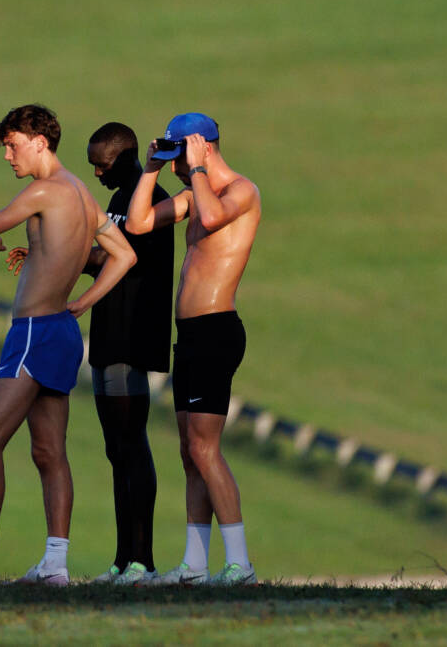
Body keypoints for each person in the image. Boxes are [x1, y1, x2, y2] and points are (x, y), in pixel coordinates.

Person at [0, 104, 135, 586]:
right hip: (62, 329)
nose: (8, 156)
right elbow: (124, 254)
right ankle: (56, 565)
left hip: (33, 332)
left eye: (13, 144)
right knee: (48, 452)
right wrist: (81, 303)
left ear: (40, 142)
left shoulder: (42, 191)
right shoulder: (82, 194)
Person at [126, 112, 264, 585]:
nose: (178, 168)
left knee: (206, 449)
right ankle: (194, 565)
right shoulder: (191, 192)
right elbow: (141, 222)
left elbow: (210, 216)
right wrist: (150, 169)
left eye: (180, 155)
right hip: (189, 335)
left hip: (216, 332)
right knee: (190, 451)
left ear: (202, 146)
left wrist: (199, 167)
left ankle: (239, 563)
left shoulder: (241, 192)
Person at [83, 121, 177, 582]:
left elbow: (128, 260)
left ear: (123, 158)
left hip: (132, 336)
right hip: (106, 334)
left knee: (131, 445)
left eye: (101, 166)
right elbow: (102, 259)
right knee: (114, 449)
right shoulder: (119, 200)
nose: (97, 174)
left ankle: (144, 559)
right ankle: (123, 560)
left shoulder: (148, 200)